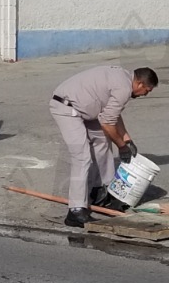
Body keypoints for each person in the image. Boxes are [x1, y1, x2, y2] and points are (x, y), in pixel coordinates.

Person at [48, 66, 159, 227]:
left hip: (85, 108)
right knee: (82, 156)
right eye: (147, 91)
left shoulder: (124, 78)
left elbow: (112, 114)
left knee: (103, 142)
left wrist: (127, 139)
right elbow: (107, 123)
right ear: (140, 84)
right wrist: (122, 146)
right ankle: (75, 211)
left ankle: (99, 192)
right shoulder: (124, 88)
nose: (145, 95)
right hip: (66, 108)